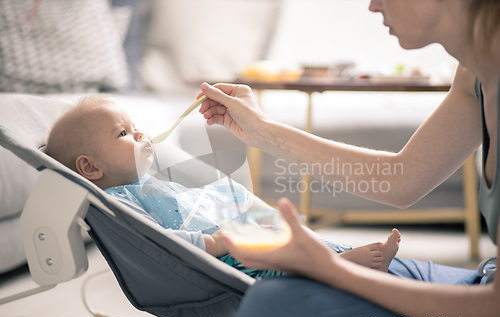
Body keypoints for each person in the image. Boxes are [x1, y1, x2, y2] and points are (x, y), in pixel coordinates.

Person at [197, 0, 499, 317]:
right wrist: (263, 131)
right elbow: (402, 179)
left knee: (273, 308)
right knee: (321, 263)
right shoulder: (474, 72)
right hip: (484, 280)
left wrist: (333, 271)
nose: (372, 6)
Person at [44, 95, 401, 279]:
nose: (139, 134)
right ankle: (334, 266)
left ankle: (332, 252)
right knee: (272, 261)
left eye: (135, 127)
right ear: (90, 167)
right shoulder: (120, 203)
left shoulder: (142, 183)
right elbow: (160, 240)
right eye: (123, 133)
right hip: (220, 254)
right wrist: (215, 242)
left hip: (232, 231)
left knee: (280, 230)